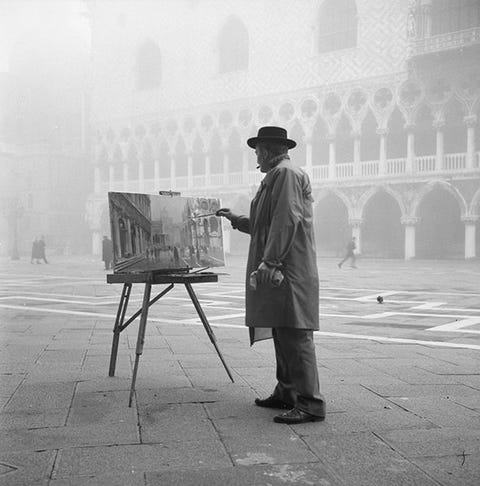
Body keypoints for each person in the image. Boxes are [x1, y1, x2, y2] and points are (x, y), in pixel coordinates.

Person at [216, 126, 326, 425]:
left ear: (265, 151)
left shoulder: (285, 174)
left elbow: (286, 219)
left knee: (295, 334)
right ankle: (287, 391)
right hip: (283, 268)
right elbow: (266, 223)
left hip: (289, 269)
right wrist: (236, 219)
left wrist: (272, 261)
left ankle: (310, 403)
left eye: (257, 152)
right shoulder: (276, 176)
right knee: (282, 330)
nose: (256, 158)